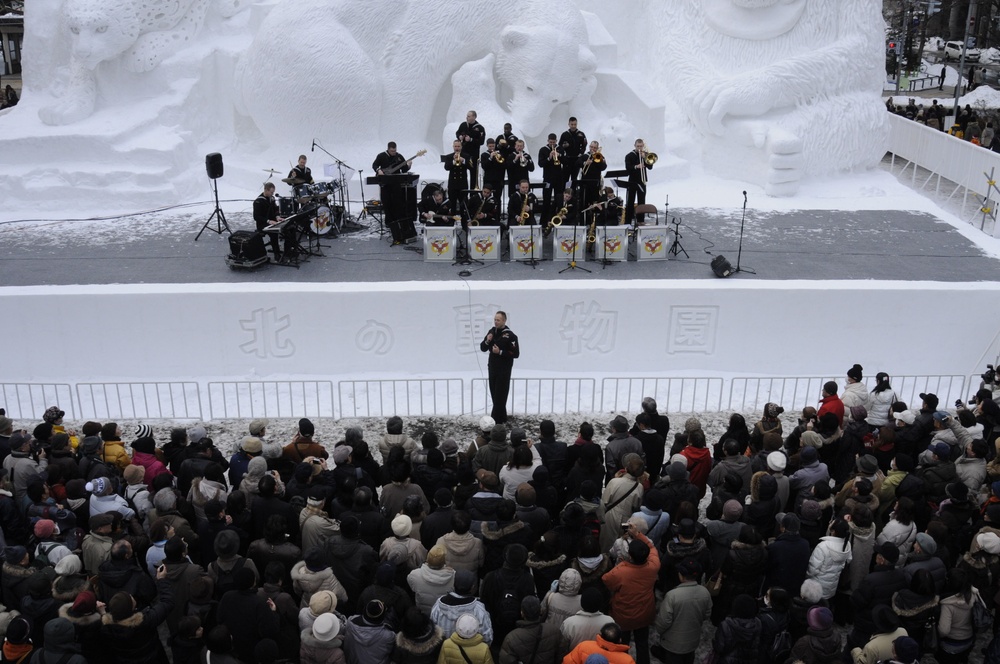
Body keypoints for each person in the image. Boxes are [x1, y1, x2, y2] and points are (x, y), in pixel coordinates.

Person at [652, 560, 711, 664]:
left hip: (673, 644)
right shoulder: (705, 592)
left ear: (681, 576)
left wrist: (659, 630)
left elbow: (664, 622)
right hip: (692, 641)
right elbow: (706, 615)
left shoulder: (673, 595)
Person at [480, 311, 519, 424]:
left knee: (500, 398)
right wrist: (487, 340)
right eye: (495, 319)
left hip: (504, 371)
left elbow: (515, 354)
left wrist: (500, 352)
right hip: (492, 369)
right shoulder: (492, 332)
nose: (496, 322)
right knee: (495, 396)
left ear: (504, 321)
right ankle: (502, 419)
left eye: (498, 320)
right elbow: (483, 347)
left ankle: (494, 423)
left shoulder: (510, 336)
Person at [373, 142, 415, 230]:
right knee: (386, 202)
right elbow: (374, 164)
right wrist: (378, 170)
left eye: (395, 150)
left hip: (396, 183)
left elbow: (404, 169)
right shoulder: (381, 156)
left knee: (397, 202)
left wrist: (409, 165)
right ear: (388, 149)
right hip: (385, 184)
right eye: (392, 151)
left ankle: (397, 221)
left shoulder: (399, 156)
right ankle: (388, 222)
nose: (394, 153)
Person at [254, 182, 289, 263]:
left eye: (273, 192)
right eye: (271, 192)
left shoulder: (271, 199)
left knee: (289, 227)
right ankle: (277, 254)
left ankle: (288, 251)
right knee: (274, 232)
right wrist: (268, 221)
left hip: (273, 221)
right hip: (263, 224)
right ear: (266, 190)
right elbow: (256, 217)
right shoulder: (258, 202)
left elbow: (275, 209)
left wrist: (277, 217)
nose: (272, 194)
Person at [623, 139, 652, 226]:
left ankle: (640, 221)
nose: (639, 148)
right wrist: (636, 166)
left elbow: (650, 167)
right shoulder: (629, 155)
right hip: (632, 181)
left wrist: (644, 158)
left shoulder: (645, 155)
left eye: (641, 146)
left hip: (642, 181)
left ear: (643, 146)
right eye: (638, 146)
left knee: (642, 202)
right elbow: (628, 168)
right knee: (630, 202)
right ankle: (628, 222)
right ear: (634, 146)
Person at [538, 134, 566, 220]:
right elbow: (540, 164)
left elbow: (566, 161)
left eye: (554, 142)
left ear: (556, 141)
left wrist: (559, 155)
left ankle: (557, 218)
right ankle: (544, 220)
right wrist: (549, 158)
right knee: (546, 199)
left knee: (559, 199)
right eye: (550, 142)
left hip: (558, 178)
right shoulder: (543, 150)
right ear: (548, 141)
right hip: (548, 178)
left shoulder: (560, 149)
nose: (552, 144)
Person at [456, 110, 486, 189]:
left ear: (474, 117)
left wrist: (471, 139)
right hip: (463, 153)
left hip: (473, 154)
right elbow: (457, 132)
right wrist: (459, 137)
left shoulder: (480, 128)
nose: (467, 118)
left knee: (473, 174)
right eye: (467, 116)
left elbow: (481, 141)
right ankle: (463, 192)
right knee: (462, 173)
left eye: (469, 116)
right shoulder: (463, 125)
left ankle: (473, 192)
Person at [577, 141, 607, 212]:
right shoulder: (584, 156)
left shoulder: (599, 156)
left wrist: (598, 160)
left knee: (594, 202)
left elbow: (603, 167)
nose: (593, 149)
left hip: (595, 182)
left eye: (595, 148)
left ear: (597, 148)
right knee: (584, 202)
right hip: (585, 182)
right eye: (591, 147)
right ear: (589, 147)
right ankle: (583, 220)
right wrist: (585, 163)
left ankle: (593, 220)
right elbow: (577, 163)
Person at [444, 140, 472, 215]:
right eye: (455, 146)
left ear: (461, 146)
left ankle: (464, 224)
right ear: (453, 147)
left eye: (458, 146)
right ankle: (452, 222)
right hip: (453, 184)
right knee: (452, 205)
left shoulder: (466, 156)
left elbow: (471, 167)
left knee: (463, 205)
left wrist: (463, 161)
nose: (457, 148)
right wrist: (453, 161)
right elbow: (446, 167)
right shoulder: (449, 156)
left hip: (462, 184)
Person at [559, 117, 588, 185]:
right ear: (568, 124)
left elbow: (584, 145)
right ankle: (564, 193)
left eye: (575, 124)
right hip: (567, 159)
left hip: (576, 159)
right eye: (572, 124)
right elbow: (559, 146)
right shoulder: (564, 134)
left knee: (574, 179)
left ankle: (574, 193)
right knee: (564, 178)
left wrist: (581, 153)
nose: (573, 126)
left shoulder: (581, 134)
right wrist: (564, 146)